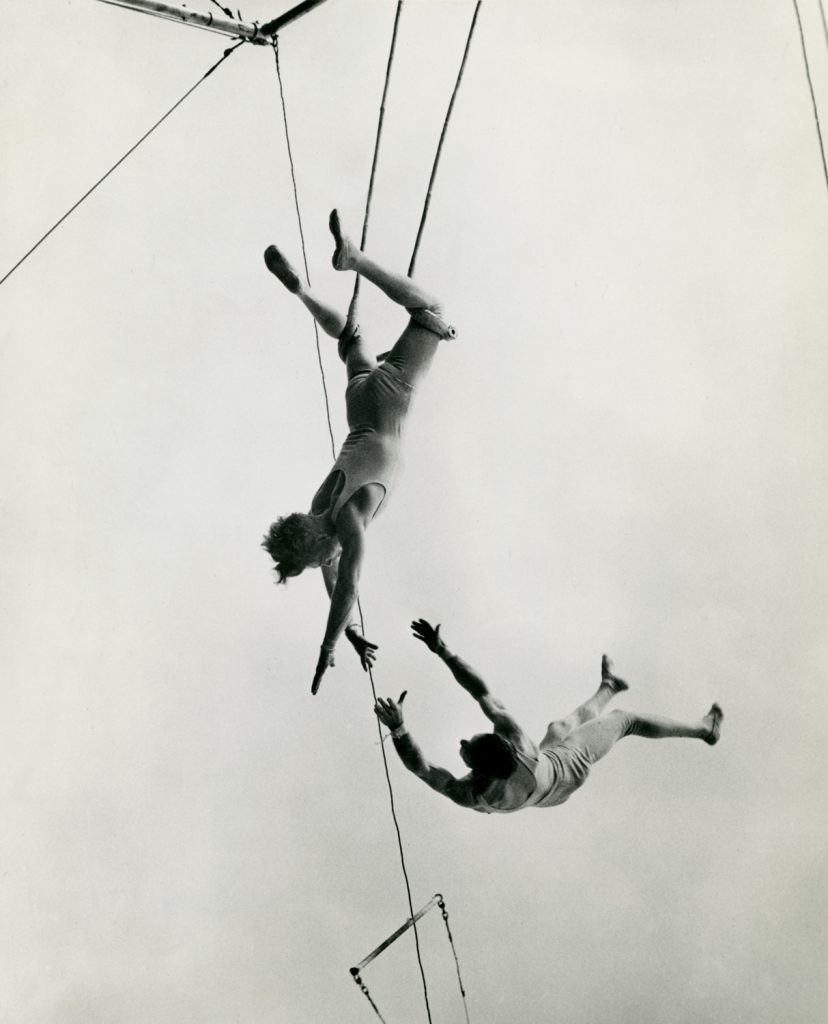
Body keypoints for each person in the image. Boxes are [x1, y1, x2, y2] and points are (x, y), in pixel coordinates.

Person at [262, 212, 455, 694]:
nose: (320, 566)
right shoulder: (318, 512)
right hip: (359, 406)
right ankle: (303, 292)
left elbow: (345, 586)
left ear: (315, 546)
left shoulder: (348, 521)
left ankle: (355, 258)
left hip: (389, 399)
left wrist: (329, 646)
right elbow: (331, 575)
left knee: (432, 312)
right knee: (350, 338)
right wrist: (348, 632)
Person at [374, 619, 724, 813]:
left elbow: (422, 768)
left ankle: (609, 686)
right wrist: (444, 652)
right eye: (469, 743)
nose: (463, 740)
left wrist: (400, 730)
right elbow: (482, 694)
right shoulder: (514, 747)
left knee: (559, 728)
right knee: (623, 720)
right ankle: (704, 730)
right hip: (565, 772)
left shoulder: (473, 791)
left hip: (543, 785)